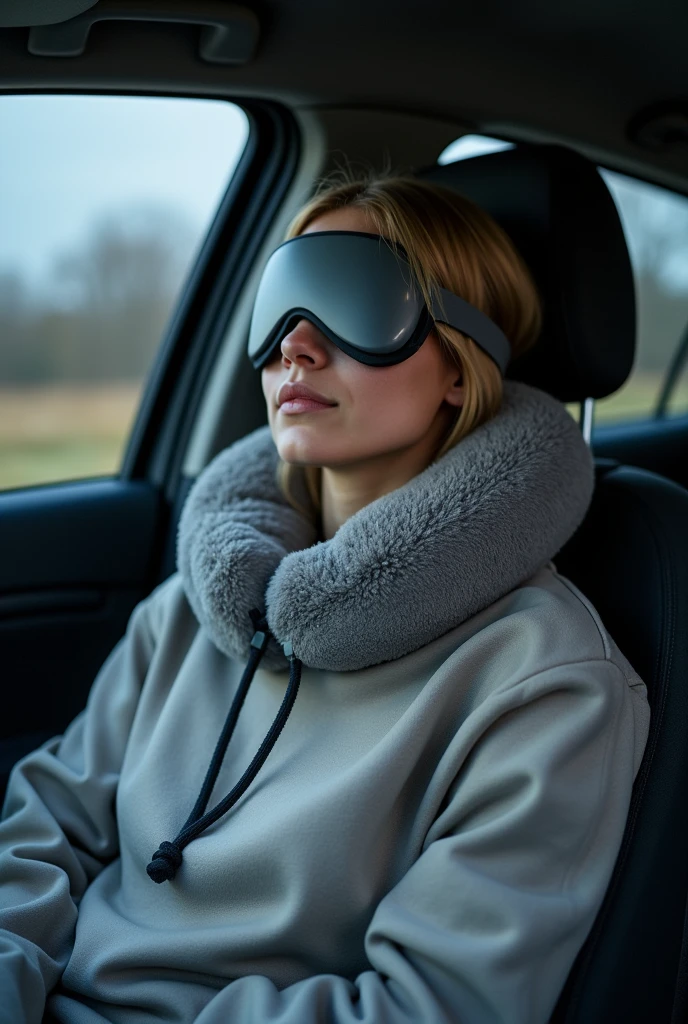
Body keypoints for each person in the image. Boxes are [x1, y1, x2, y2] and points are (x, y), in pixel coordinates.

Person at [0, 170, 650, 1024]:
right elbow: (51, 816)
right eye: (284, 300)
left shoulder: (549, 680)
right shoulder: (203, 600)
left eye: (352, 298)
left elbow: (430, 1006)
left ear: (462, 364)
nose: (294, 346)